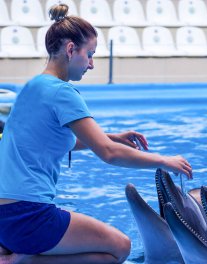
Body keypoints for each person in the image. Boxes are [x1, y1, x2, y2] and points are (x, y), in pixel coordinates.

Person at [0, 4, 192, 264]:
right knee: (119, 249)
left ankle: (17, 253)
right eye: (89, 54)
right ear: (70, 50)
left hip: (5, 218)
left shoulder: (33, 86)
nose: (91, 64)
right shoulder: (63, 92)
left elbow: (53, 140)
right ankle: (20, 261)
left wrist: (110, 136)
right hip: (28, 215)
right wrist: (164, 161)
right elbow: (109, 154)